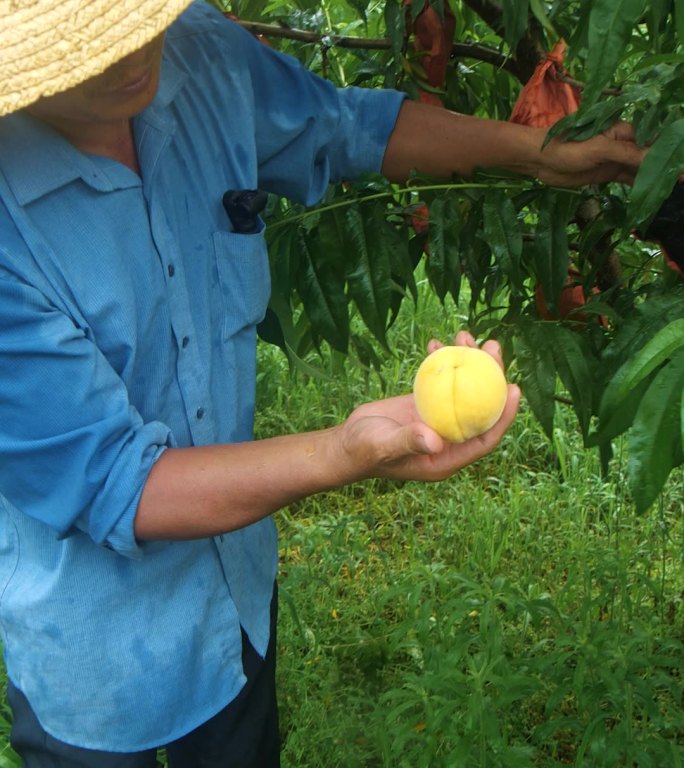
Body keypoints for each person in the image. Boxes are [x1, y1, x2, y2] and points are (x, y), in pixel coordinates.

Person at [0, 1, 644, 765]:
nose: (131, 53)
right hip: (97, 652)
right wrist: (346, 451)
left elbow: (343, 126)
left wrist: (541, 152)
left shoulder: (200, 52)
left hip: (235, 595)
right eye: (85, 49)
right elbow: (115, 480)